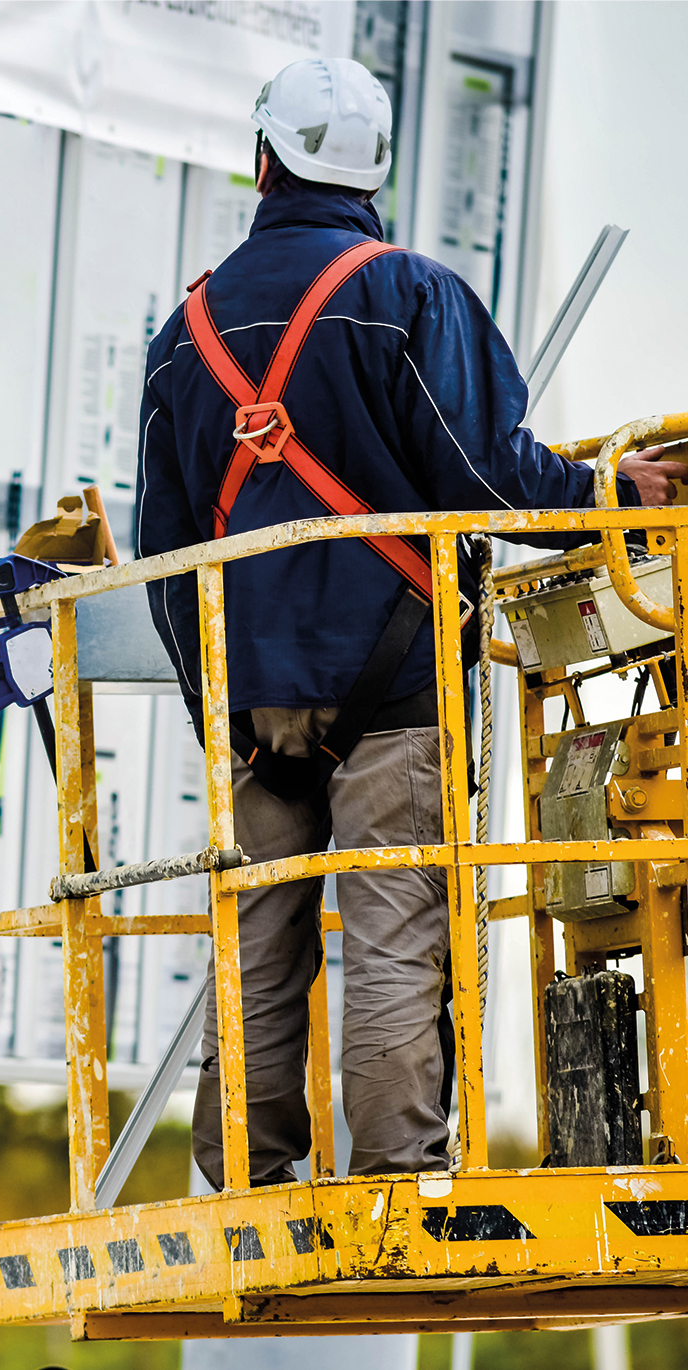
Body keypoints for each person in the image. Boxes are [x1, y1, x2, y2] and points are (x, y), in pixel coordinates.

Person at [134, 56, 686, 1187]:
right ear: (374, 172)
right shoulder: (406, 297)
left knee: (256, 946)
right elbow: (493, 476)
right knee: (394, 933)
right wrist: (621, 497)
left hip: (249, 700)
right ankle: (396, 1179)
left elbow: (162, 554)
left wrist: (218, 706)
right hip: (391, 685)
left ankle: (245, 1178)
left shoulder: (182, 336)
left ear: (262, 158)